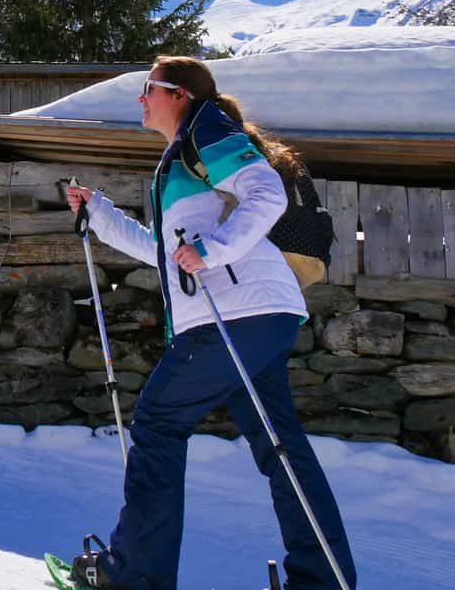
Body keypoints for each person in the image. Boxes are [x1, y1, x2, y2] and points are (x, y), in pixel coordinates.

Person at [63, 56, 355, 590]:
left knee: (157, 424)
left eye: (147, 89)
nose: (140, 99)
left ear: (177, 94)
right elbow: (167, 253)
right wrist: (99, 212)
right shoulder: (184, 159)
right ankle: (323, 581)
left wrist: (213, 251)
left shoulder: (206, 129)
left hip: (237, 315)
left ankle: (133, 577)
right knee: (280, 446)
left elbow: (265, 194)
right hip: (262, 315)